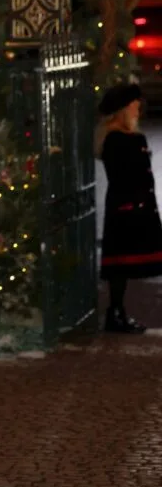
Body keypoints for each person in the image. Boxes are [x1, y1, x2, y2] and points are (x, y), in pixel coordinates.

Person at [96, 83, 162, 332]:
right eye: (133, 104)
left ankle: (117, 311)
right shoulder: (117, 139)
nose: (138, 108)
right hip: (128, 207)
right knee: (120, 264)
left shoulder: (130, 137)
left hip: (136, 205)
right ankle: (115, 312)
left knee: (122, 265)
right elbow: (125, 173)